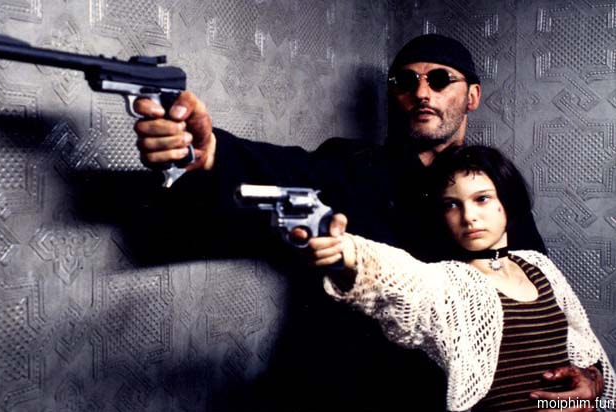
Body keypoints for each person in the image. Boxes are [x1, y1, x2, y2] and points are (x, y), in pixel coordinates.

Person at [132, 34, 605, 410]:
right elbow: (277, 168)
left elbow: (546, 305)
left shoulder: (493, 189)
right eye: (405, 81)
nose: (421, 92)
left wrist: (593, 380)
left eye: (440, 79)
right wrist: (209, 151)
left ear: (473, 96)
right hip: (358, 392)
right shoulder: (350, 166)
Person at [304, 145, 615, 411]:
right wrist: (350, 252)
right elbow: (404, 279)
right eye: (452, 204)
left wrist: (592, 380)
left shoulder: (539, 267)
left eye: (482, 199)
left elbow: (584, 348)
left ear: (507, 201)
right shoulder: (451, 282)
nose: (468, 217)